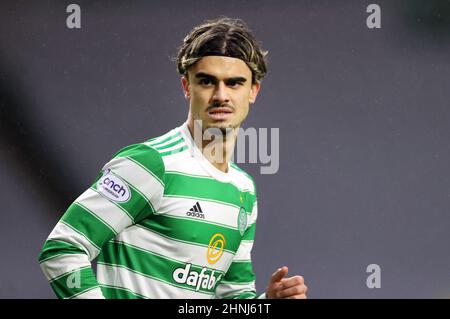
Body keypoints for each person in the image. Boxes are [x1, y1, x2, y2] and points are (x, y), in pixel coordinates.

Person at [38, 17, 308, 299]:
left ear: (253, 91)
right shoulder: (151, 164)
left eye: (234, 83)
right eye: (206, 81)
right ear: (186, 86)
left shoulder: (243, 190)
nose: (220, 95)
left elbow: (232, 298)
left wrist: (267, 301)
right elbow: (64, 248)